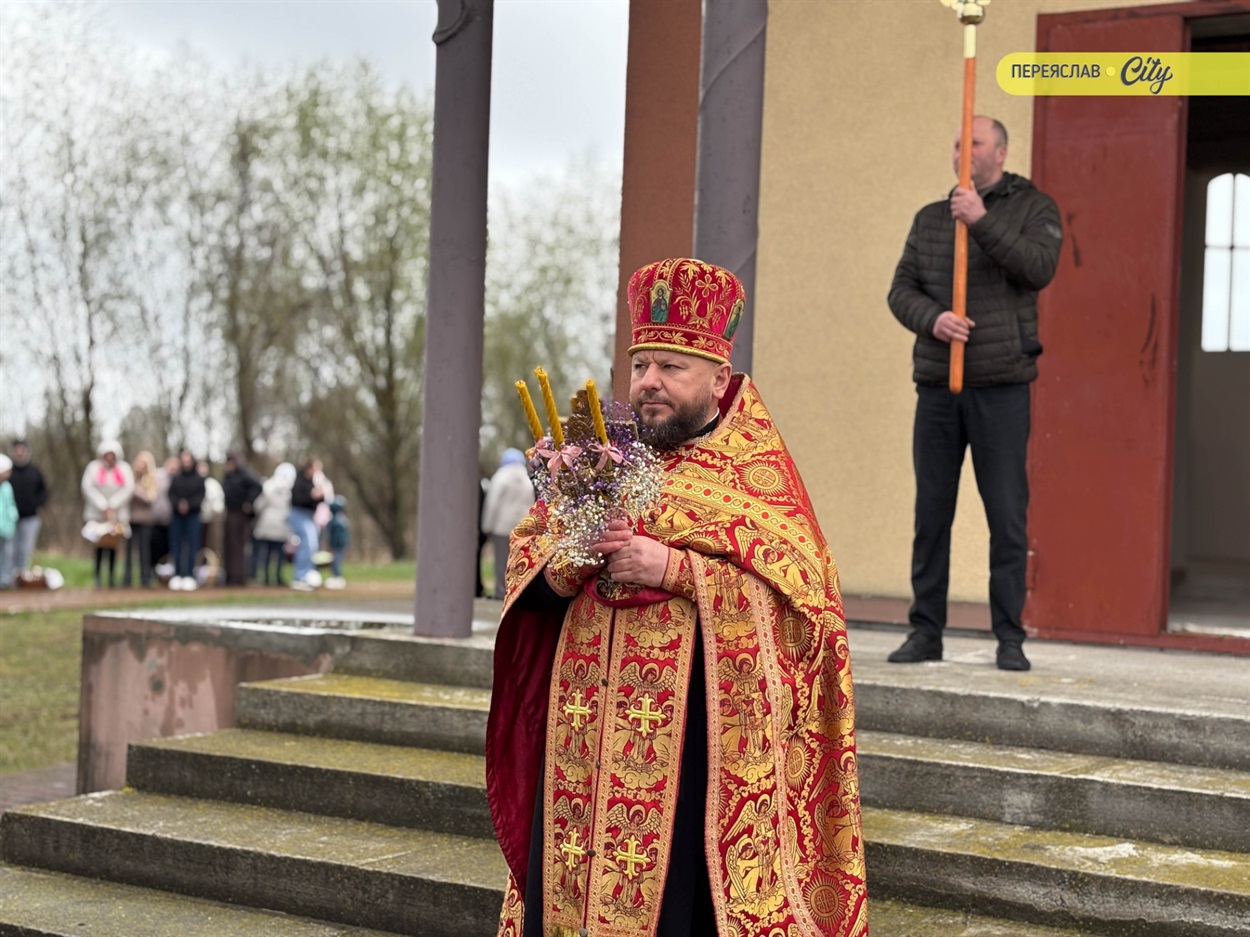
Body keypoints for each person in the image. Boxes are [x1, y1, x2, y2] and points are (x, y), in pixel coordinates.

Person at [487, 258, 867, 937]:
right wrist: (573, 555)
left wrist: (675, 567)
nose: (649, 382)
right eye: (640, 366)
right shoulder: (603, 453)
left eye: (671, 366)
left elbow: (802, 610)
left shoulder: (756, 474)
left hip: (693, 762)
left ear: (720, 379)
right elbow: (526, 584)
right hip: (579, 755)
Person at [886, 116, 1062, 673]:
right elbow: (900, 291)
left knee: (1006, 516)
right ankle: (925, 631)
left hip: (1002, 386)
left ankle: (1009, 637)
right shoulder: (931, 219)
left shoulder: (1034, 209)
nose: (964, 149)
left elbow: (1038, 268)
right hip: (939, 387)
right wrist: (933, 319)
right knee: (931, 514)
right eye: (959, 141)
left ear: (1001, 153)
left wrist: (982, 220)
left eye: (976, 142)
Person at [481, 448, 536, 600]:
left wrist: (487, 525)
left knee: (501, 560)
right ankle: (516, 591)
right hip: (522, 526)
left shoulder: (500, 477)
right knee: (518, 560)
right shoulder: (526, 479)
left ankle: (500, 591)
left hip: (501, 526)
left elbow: (492, 503)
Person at [81, 440, 135, 589]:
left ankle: (111, 577)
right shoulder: (93, 468)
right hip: (97, 513)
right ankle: (97, 576)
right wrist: (103, 504)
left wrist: (113, 504)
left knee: (113, 545)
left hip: (117, 514)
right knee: (99, 545)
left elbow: (128, 488)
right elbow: (87, 488)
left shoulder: (124, 469)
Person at [8, 438, 48, 579]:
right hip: (10, 520)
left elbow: (44, 492)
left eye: (22, 449)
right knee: (10, 549)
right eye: (17, 449)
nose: (19, 452)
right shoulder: (8, 472)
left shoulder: (34, 471)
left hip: (30, 517)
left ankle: (23, 577)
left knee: (25, 549)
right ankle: (9, 577)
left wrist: (35, 504)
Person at [167, 449, 206, 591]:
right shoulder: (176, 478)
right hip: (177, 516)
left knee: (192, 545)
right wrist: (178, 505)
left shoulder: (199, 479)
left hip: (193, 516)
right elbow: (170, 494)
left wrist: (189, 505)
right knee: (176, 545)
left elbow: (200, 496)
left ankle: (190, 574)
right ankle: (177, 574)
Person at [222, 452, 262, 586]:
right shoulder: (228, 476)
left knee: (239, 546)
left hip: (240, 514)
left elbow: (258, 486)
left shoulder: (244, 475)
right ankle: (230, 575)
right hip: (230, 512)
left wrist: (248, 502)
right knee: (230, 546)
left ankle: (239, 577)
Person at [252, 462, 296, 586]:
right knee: (279, 553)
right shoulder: (290, 490)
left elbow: (258, 505)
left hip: (267, 523)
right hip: (283, 524)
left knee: (266, 552)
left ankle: (266, 577)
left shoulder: (268, 486)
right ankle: (278, 576)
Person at [123, 451, 160, 588]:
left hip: (145, 521)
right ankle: (127, 579)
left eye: (143, 464)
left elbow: (150, 498)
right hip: (130, 520)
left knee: (144, 550)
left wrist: (133, 490)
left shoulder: (151, 480)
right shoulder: (130, 478)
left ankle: (145, 579)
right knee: (128, 551)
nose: (140, 466)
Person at [289, 458, 325, 591]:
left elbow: (317, 501)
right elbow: (297, 499)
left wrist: (320, 496)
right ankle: (299, 576)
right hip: (299, 514)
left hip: (309, 516)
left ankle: (307, 574)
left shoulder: (312, 482)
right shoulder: (299, 481)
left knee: (312, 545)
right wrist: (312, 496)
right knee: (307, 543)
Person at [325, 495, 350, 590]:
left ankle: (337, 577)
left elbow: (337, 535)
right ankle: (336, 576)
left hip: (337, 545)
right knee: (336, 561)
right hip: (338, 545)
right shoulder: (342, 519)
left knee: (336, 561)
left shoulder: (337, 520)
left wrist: (333, 544)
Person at [0, 456, 17, 589]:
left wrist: (13, 518)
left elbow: (10, 505)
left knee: (8, 554)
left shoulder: (7, 487)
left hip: (7, 527)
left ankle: (5, 579)